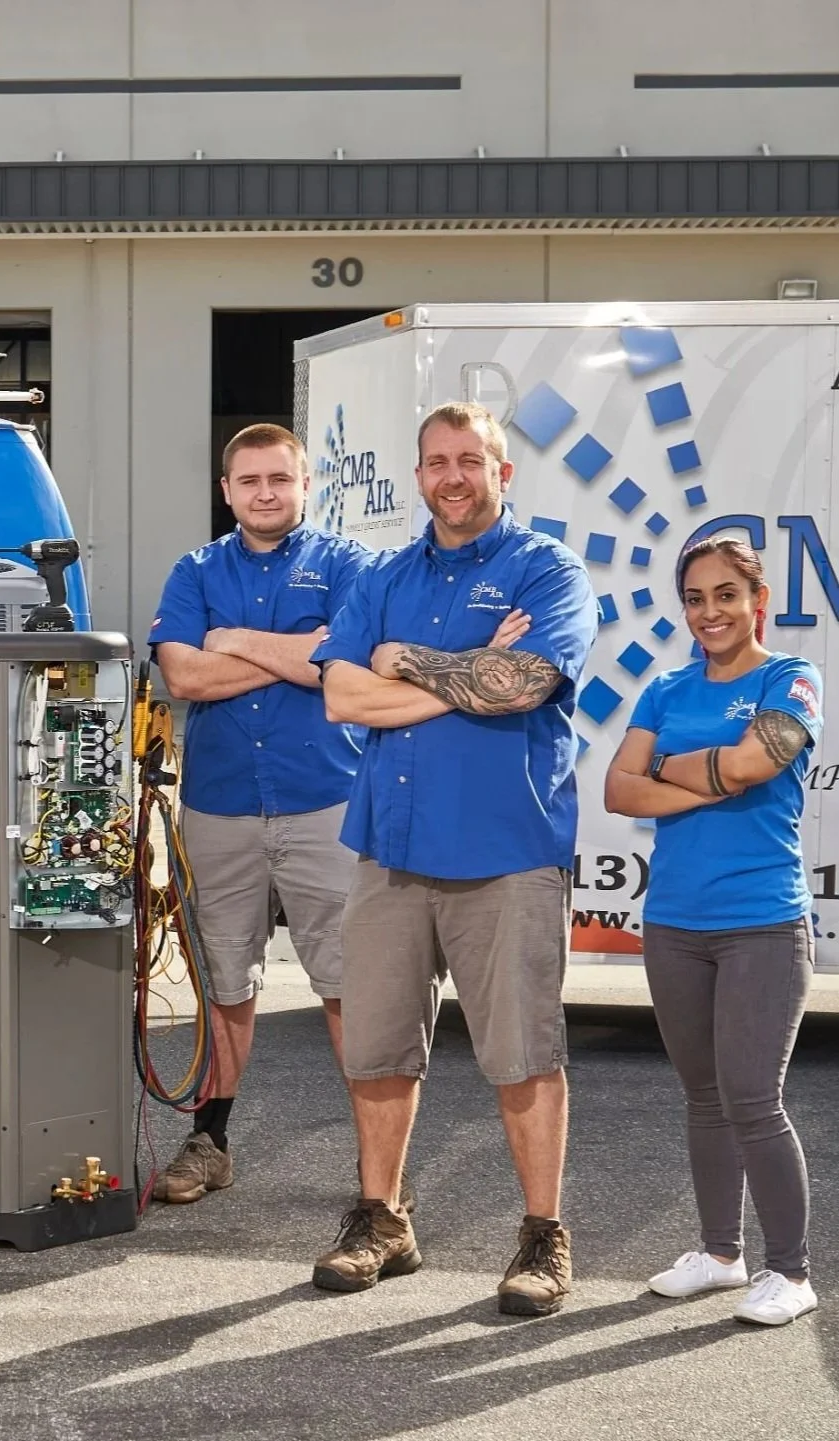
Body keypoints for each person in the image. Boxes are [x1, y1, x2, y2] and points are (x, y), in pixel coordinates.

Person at [311, 401, 596, 1316]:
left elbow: (525, 681)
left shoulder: (546, 572)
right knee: (378, 1047)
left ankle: (542, 1236)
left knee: (520, 1054)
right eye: (435, 461)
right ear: (419, 473)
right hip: (390, 849)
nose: (451, 476)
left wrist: (409, 665)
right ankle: (381, 1218)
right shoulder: (387, 573)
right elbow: (339, 697)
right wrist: (463, 673)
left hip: (505, 850)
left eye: (469, 460)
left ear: (500, 473)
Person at [147, 422, 377, 1204]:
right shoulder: (194, 569)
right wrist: (291, 654)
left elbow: (337, 667)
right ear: (227, 491)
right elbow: (181, 674)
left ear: (306, 484)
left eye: (279, 478)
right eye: (249, 481)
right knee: (225, 981)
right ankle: (208, 1140)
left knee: (349, 986)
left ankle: (376, 1167)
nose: (264, 493)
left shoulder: (348, 565)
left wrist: (236, 641)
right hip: (220, 806)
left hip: (325, 800)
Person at [604, 536, 821, 1327]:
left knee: (752, 1098)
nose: (709, 612)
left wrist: (668, 769)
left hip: (761, 921)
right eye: (695, 598)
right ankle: (720, 1255)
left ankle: (790, 1273)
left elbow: (762, 761)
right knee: (702, 1095)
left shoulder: (790, 677)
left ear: (754, 599)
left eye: (725, 595)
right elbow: (617, 789)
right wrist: (711, 767)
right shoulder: (664, 687)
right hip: (673, 921)